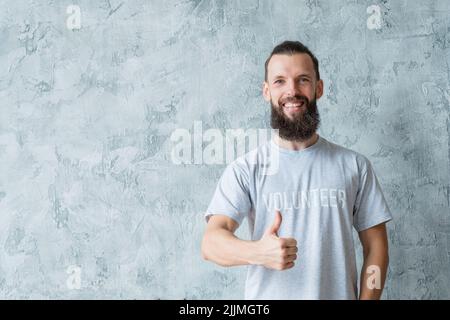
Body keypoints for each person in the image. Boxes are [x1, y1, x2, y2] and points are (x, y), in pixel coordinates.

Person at [201, 40, 393, 300]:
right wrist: (259, 252)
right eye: (280, 81)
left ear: (319, 88)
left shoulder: (354, 166)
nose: (292, 90)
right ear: (267, 91)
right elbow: (211, 244)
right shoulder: (246, 170)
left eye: (303, 79)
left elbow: (376, 248)